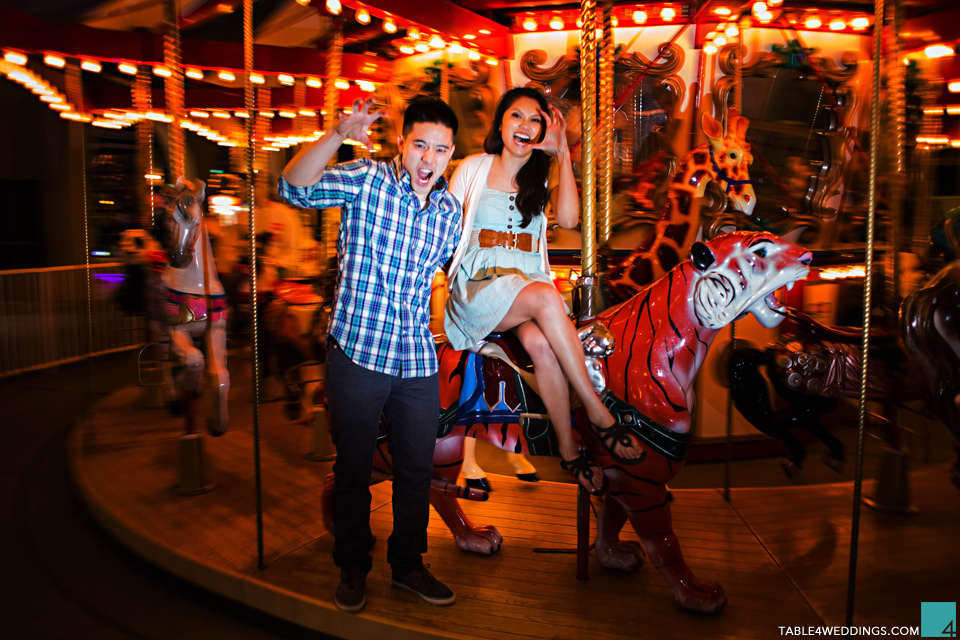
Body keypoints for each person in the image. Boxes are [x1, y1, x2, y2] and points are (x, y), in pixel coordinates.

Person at [278, 97, 461, 613]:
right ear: (402, 144)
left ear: (451, 154)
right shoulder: (367, 178)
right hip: (357, 350)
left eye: (440, 150)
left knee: (416, 470)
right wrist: (338, 134)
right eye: (420, 144)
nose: (429, 159)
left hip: (416, 358)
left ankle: (407, 564)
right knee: (355, 467)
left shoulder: (448, 211)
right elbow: (292, 186)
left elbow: (457, 273)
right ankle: (352, 564)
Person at [443, 87, 643, 497]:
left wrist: (562, 154)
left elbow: (570, 217)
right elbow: (445, 224)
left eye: (534, 120)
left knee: (542, 345)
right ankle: (598, 413)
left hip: (523, 290)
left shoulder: (539, 172)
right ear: (500, 122)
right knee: (549, 297)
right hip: (480, 288)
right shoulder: (473, 167)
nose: (525, 126)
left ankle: (568, 451)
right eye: (516, 116)